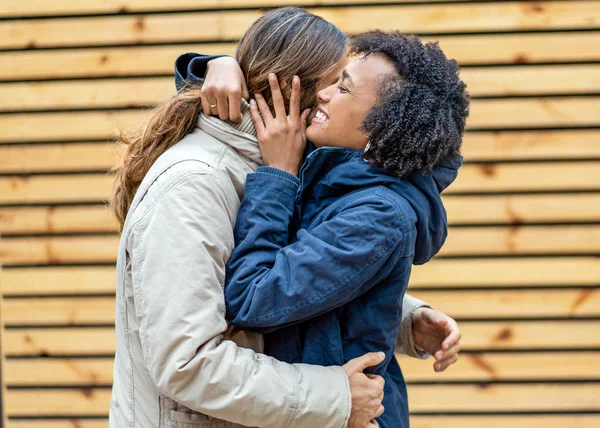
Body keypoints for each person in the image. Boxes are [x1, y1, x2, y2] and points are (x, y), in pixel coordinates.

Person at [109, 7, 459, 428]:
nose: (331, 97)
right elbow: (188, 361)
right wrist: (335, 398)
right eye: (334, 82)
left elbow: (301, 267)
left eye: (343, 87)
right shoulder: (198, 184)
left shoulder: (290, 167)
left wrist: (403, 319)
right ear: (290, 90)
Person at [219, 30, 469, 428]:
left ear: (383, 126)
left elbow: (253, 299)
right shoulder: (337, 174)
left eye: (344, 88)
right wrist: (217, 65)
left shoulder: (378, 215)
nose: (323, 93)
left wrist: (277, 176)